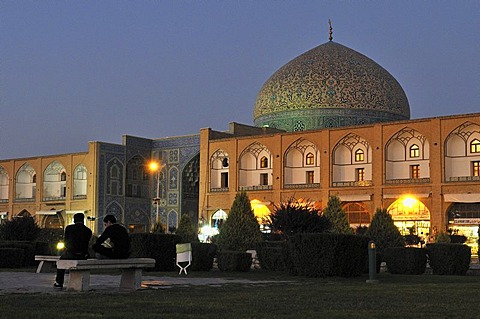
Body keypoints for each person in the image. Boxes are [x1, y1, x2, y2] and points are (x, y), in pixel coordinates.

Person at [54, 213, 92, 289]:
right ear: (83, 220)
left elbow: (66, 241)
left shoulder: (69, 228)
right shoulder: (88, 231)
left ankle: (59, 282)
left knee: (61, 262)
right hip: (83, 255)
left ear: (74, 220)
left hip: (71, 254)